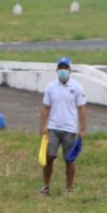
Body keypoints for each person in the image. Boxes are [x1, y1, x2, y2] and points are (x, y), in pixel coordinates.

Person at [39, 57, 87, 196]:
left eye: (66, 68)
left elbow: (82, 109)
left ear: (70, 69)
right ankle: (46, 186)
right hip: (53, 128)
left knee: (70, 159)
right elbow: (46, 107)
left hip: (70, 129)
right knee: (49, 157)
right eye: (61, 68)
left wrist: (82, 129)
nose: (63, 71)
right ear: (57, 70)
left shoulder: (77, 87)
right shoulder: (50, 87)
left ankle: (69, 188)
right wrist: (42, 125)